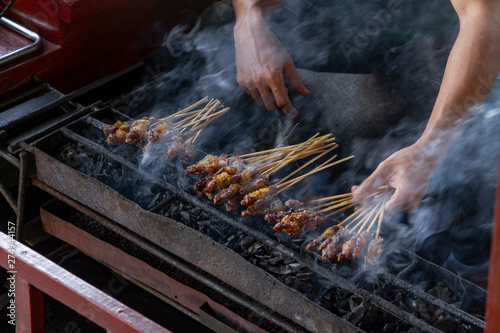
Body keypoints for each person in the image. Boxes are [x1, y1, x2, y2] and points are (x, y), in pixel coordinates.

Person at [231, 0, 500, 215]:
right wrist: (249, 20)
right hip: (299, 49)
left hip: (420, 73)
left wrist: (428, 148)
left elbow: (483, 18)